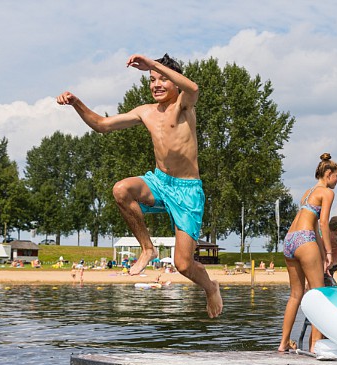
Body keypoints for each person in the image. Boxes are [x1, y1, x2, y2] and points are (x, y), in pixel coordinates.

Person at [57, 52, 222, 318]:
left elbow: (193, 87)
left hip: (187, 191)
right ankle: (147, 248)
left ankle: (210, 287)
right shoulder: (145, 112)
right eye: (152, 80)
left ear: (174, 83)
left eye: (162, 80)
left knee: (182, 264)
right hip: (159, 181)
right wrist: (76, 103)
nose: (156, 84)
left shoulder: (183, 105)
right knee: (121, 189)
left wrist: (153, 64)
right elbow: (101, 125)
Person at [278, 153, 337, 352]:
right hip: (305, 239)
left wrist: (321, 254)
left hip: (290, 240)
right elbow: (322, 224)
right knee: (319, 295)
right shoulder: (327, 192)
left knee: (295, 294)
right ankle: (315, 345)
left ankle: (283, 343)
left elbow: (312, 225)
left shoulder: (307, 192)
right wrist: (329, 253)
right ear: (328, 173)